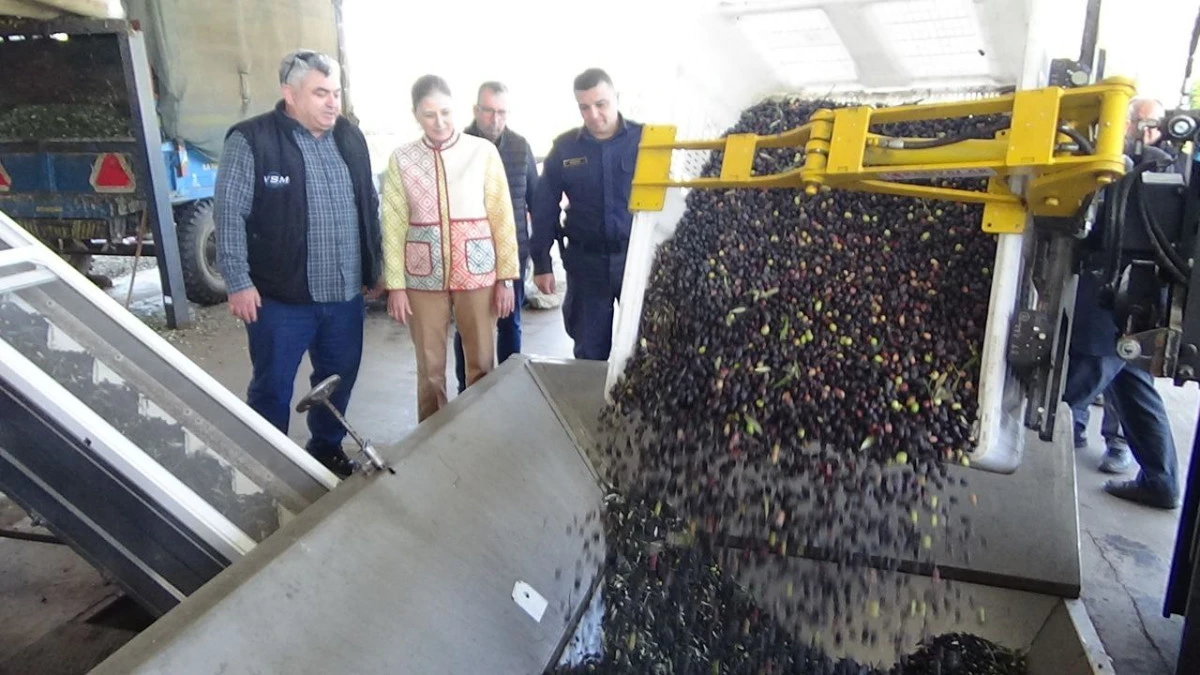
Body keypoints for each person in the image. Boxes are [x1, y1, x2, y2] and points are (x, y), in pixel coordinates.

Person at [215, 50, 382, 478]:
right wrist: (237, 281)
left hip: (343, 294)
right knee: (273, 385)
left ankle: (324, 447)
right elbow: (228, 212)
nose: (332, 103)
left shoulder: (350, 137)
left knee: (338, 378)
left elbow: (369, 203)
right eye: (320, 93)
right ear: (290, 94)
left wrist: (374, 266)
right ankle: (266, 466)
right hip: (280, 298)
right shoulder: (252, 140)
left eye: (336, 93)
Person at [1062, 97, 1179, 508]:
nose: (1137, 130)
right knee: (1133, 385)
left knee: (1071, 392)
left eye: (1145, 123)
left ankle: (1031, 484)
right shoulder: (1138, 164)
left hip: (1116, 295)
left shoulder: (1151, 168)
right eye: (1136, 121)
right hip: (1136, 299)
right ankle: (1161, 481)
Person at [381, 75, 520, 422]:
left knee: (482, 364)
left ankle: (480, 432)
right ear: (415, 114)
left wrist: (506, 278)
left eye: (445, 112)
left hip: (478, 274)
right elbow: (394, 224)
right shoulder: (402, 159)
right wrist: (396, 285)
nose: (439, 122)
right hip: (422, 278)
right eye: (429, 115)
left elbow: (502, 216)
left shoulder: (481, 152)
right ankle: (431, 441)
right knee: (430, 369)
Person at [530, 68, 643, 360]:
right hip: (586, 266)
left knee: (647, 348)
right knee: (589, 352)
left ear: (617, 98)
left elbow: (671, 200)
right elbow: (544, 207)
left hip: (637, 262)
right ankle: (592, 407)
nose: (593, 115)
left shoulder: (646, 142)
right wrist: (542, 263)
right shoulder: (565, 148)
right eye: (584, 107)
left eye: (601, 104)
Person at [451, 81, 539, 393]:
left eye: (501, 112)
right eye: (488, 111)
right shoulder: (456, 146)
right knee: (469, 330)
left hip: (511, 256)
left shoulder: (520, 147)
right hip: (469, 260)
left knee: (510, 323)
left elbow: (536, 199)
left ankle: (511, 388)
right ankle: (469, 392)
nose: (495, 118)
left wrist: (540, 260)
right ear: (476, 110)